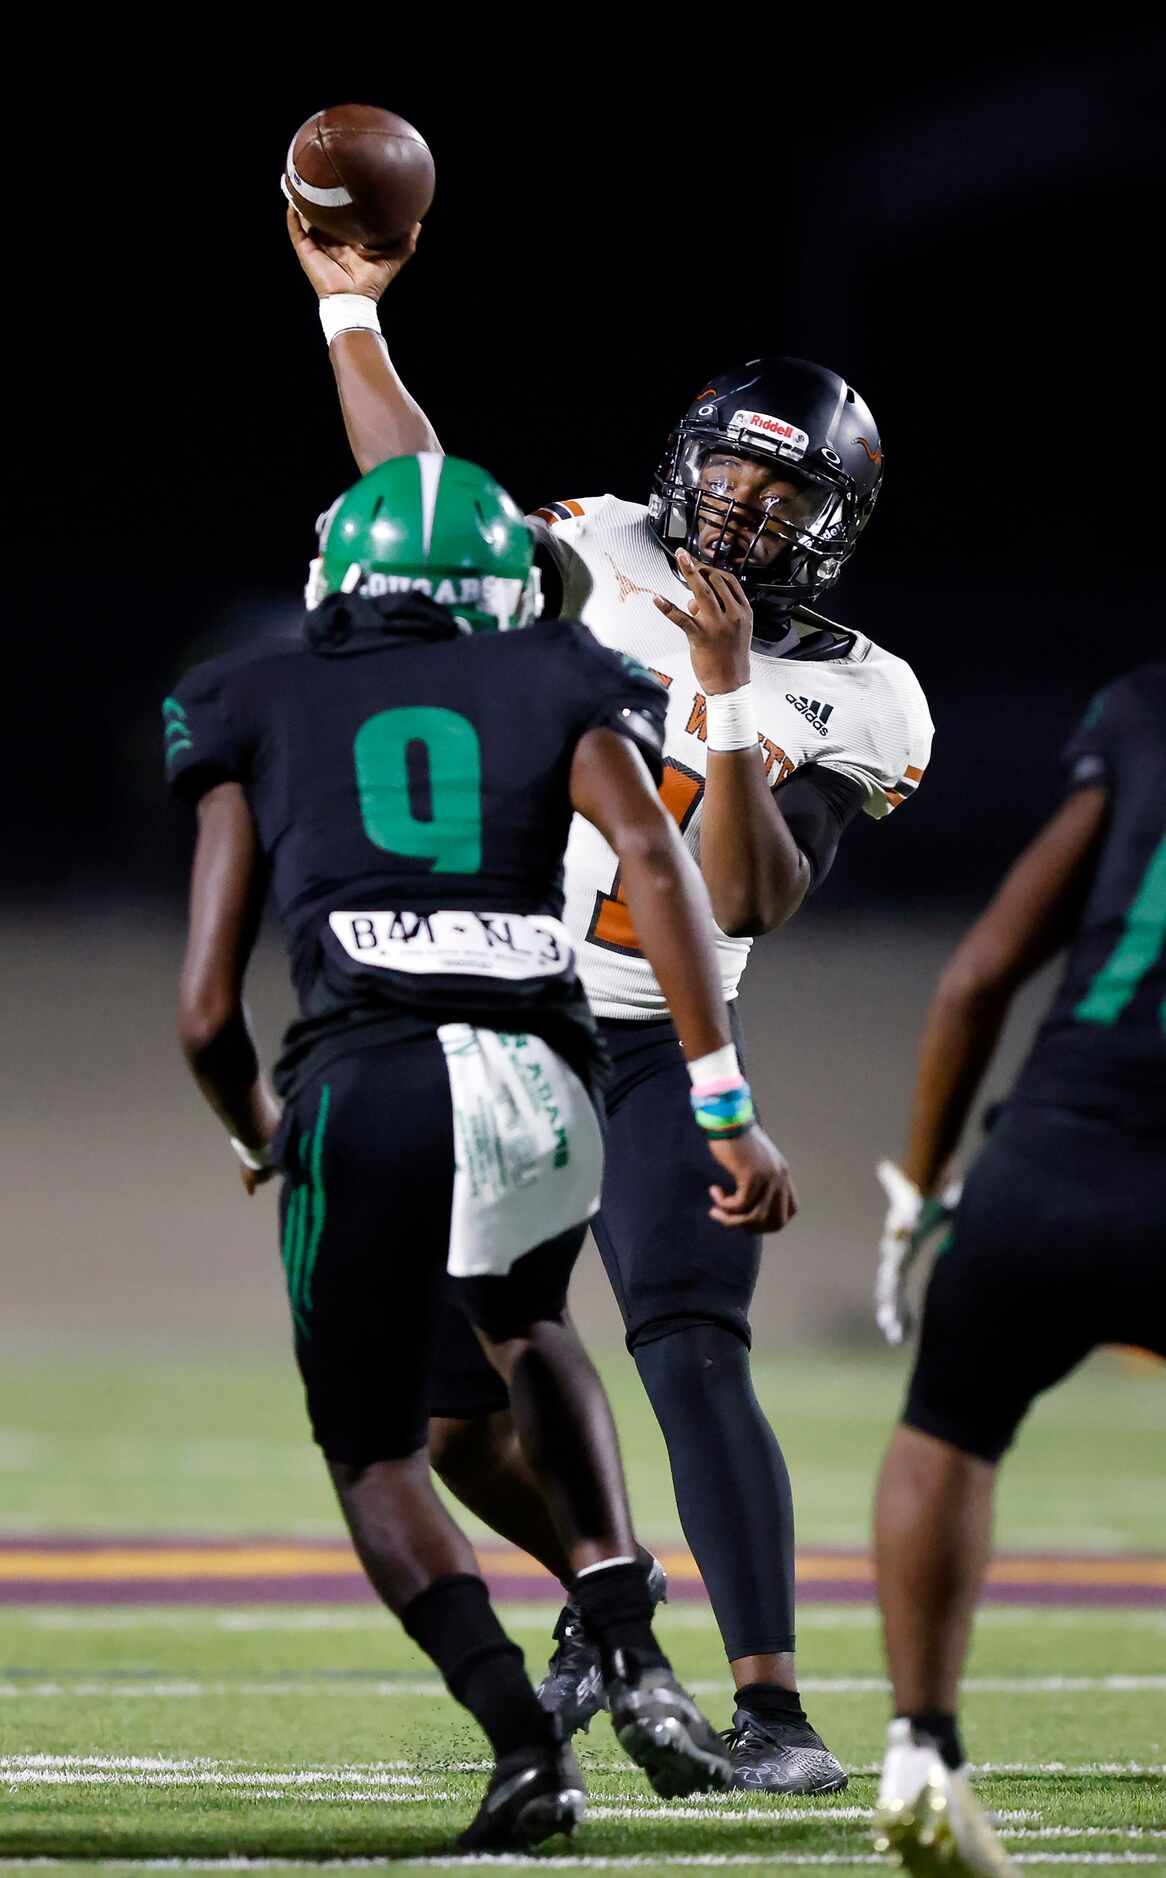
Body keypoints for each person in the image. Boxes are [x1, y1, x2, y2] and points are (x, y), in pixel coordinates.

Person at [284, 204, 933, 1792]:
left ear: (834, 521)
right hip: (506, 1019)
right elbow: (416, 493)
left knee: (691, 1337)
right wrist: (348, 319)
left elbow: (745, 895)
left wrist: (721, 696)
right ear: (682, 458)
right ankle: (605, 1600)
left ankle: (773, 1710)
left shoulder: (862, 690)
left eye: (780, 490)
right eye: (725, 468)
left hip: (657, 1041)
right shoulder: (591, 547)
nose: (736, 506)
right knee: (455, 1400)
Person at [167, 452, 800, 1852]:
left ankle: (526, 1743)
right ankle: (631, 1643)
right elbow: (655, 864)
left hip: (364, 1074)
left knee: (376, 1447)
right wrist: (718, 1099)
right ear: (500, 591)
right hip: (542, 1062)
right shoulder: (558, 677)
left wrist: (257, 1133)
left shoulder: (246, 692)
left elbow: (207, 1006)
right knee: (532, 1329)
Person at [870, 666, 1166, 1876]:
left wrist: (921, 1186)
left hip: (1054, 1144)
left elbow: (977, 972)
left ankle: (918, 1748)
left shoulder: (1149, 706)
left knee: (946, 1428)